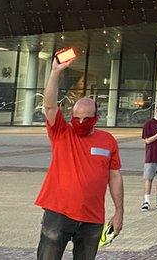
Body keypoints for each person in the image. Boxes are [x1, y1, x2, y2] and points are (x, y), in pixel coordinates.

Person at [34, 55, 123, 260]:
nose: (81, 121)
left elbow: (115, 177)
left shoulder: (107, 140)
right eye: (77, 117)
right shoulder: (62, 132)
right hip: (58, 213)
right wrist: (55, 72)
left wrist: (119, 211)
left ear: (96, 118)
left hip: (92, 217)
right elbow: (49, 106)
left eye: (86, 118)